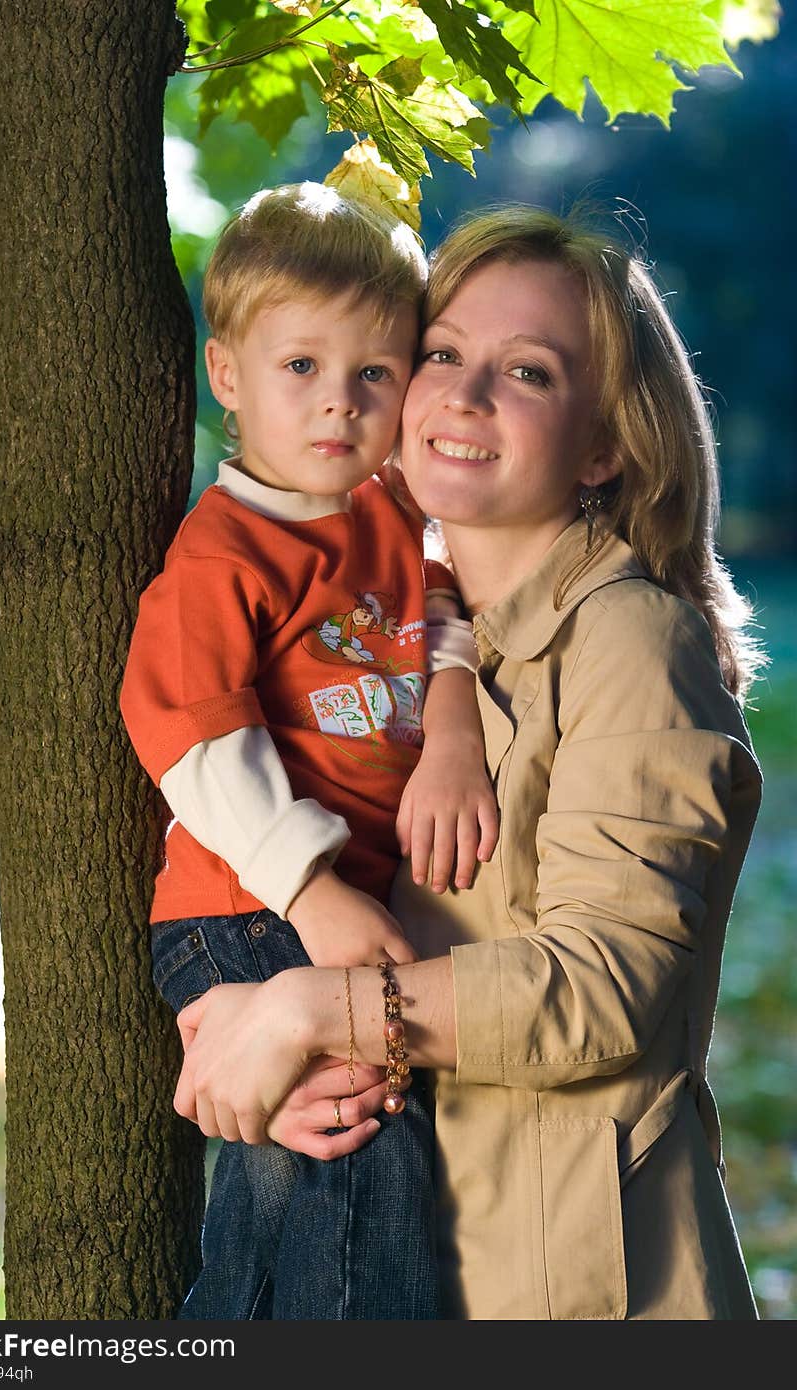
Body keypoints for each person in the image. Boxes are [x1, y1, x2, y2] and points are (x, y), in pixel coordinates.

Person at [171, 204, 766, 1320]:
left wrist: (308, 1015)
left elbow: (604, 988)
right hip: (414, 1235)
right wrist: (251, 1038)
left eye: (527, 371)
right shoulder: (373, 622)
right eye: (441, 353)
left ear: (603, 443)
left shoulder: (631, 636)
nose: (462, 394)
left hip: (573, 1280)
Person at [119, 182, 498, 1320]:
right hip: (246, 904)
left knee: (335, 1177)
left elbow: (447, 606)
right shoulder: (222, 553)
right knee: (351, 1169)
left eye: (373, 374)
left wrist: (456, 722)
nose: (339, 405)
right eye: (300, 369)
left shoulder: (391, 512)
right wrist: (312, 887)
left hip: (333, 908)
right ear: (227, 375)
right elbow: (189, 734)